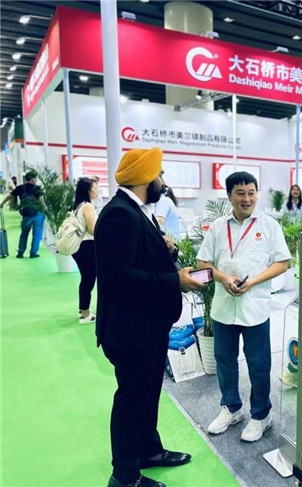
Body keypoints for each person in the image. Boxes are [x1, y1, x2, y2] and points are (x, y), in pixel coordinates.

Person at [94, 147, 205, 487]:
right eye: (159, 174)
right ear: (145, 177)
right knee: (131, 399)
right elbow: (118, 277)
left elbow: (140, 259)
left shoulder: (137, 211)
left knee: (147, 393)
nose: (162, 180)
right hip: (130, 330)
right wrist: (175, 281)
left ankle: (148, 451)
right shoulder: (120, 214)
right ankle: (124, 475)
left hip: (147, 325)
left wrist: (168, 249)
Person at [196, 171, 291, 443]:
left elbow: (282, 263)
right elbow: (203, 264)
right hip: (224, 307)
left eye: (251, 193)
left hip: (255, 308)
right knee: (225, 361)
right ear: (229, 196)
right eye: (240, 193)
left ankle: (261, 415)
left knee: (259, 364)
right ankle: (231, 408)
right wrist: (224, 278)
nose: (246, 199)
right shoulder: (217, 227)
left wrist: (253, 282)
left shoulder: (269, 226)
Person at [71, 177, 100, 324]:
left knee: (86, 279)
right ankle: (85, 313)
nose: (97, 190)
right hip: (87, 246)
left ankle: (83, 310)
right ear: (88, 190)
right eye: (95, 188)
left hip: (80, 247)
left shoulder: (78, 206)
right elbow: (93, 229)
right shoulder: (88, 206)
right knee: (88, 280)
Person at [0, 170, 44, 258]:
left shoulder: (20, 188)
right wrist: (45, 209)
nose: (36, 180)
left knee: (24, 233)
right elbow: (41, 200)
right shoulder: (37, 188)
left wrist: (2, 204)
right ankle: (33, 253)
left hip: (26, 214)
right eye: (35, 178)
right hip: (37, 214)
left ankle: (20, 252)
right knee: (37, 234)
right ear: (33, 179)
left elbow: (10, 196)